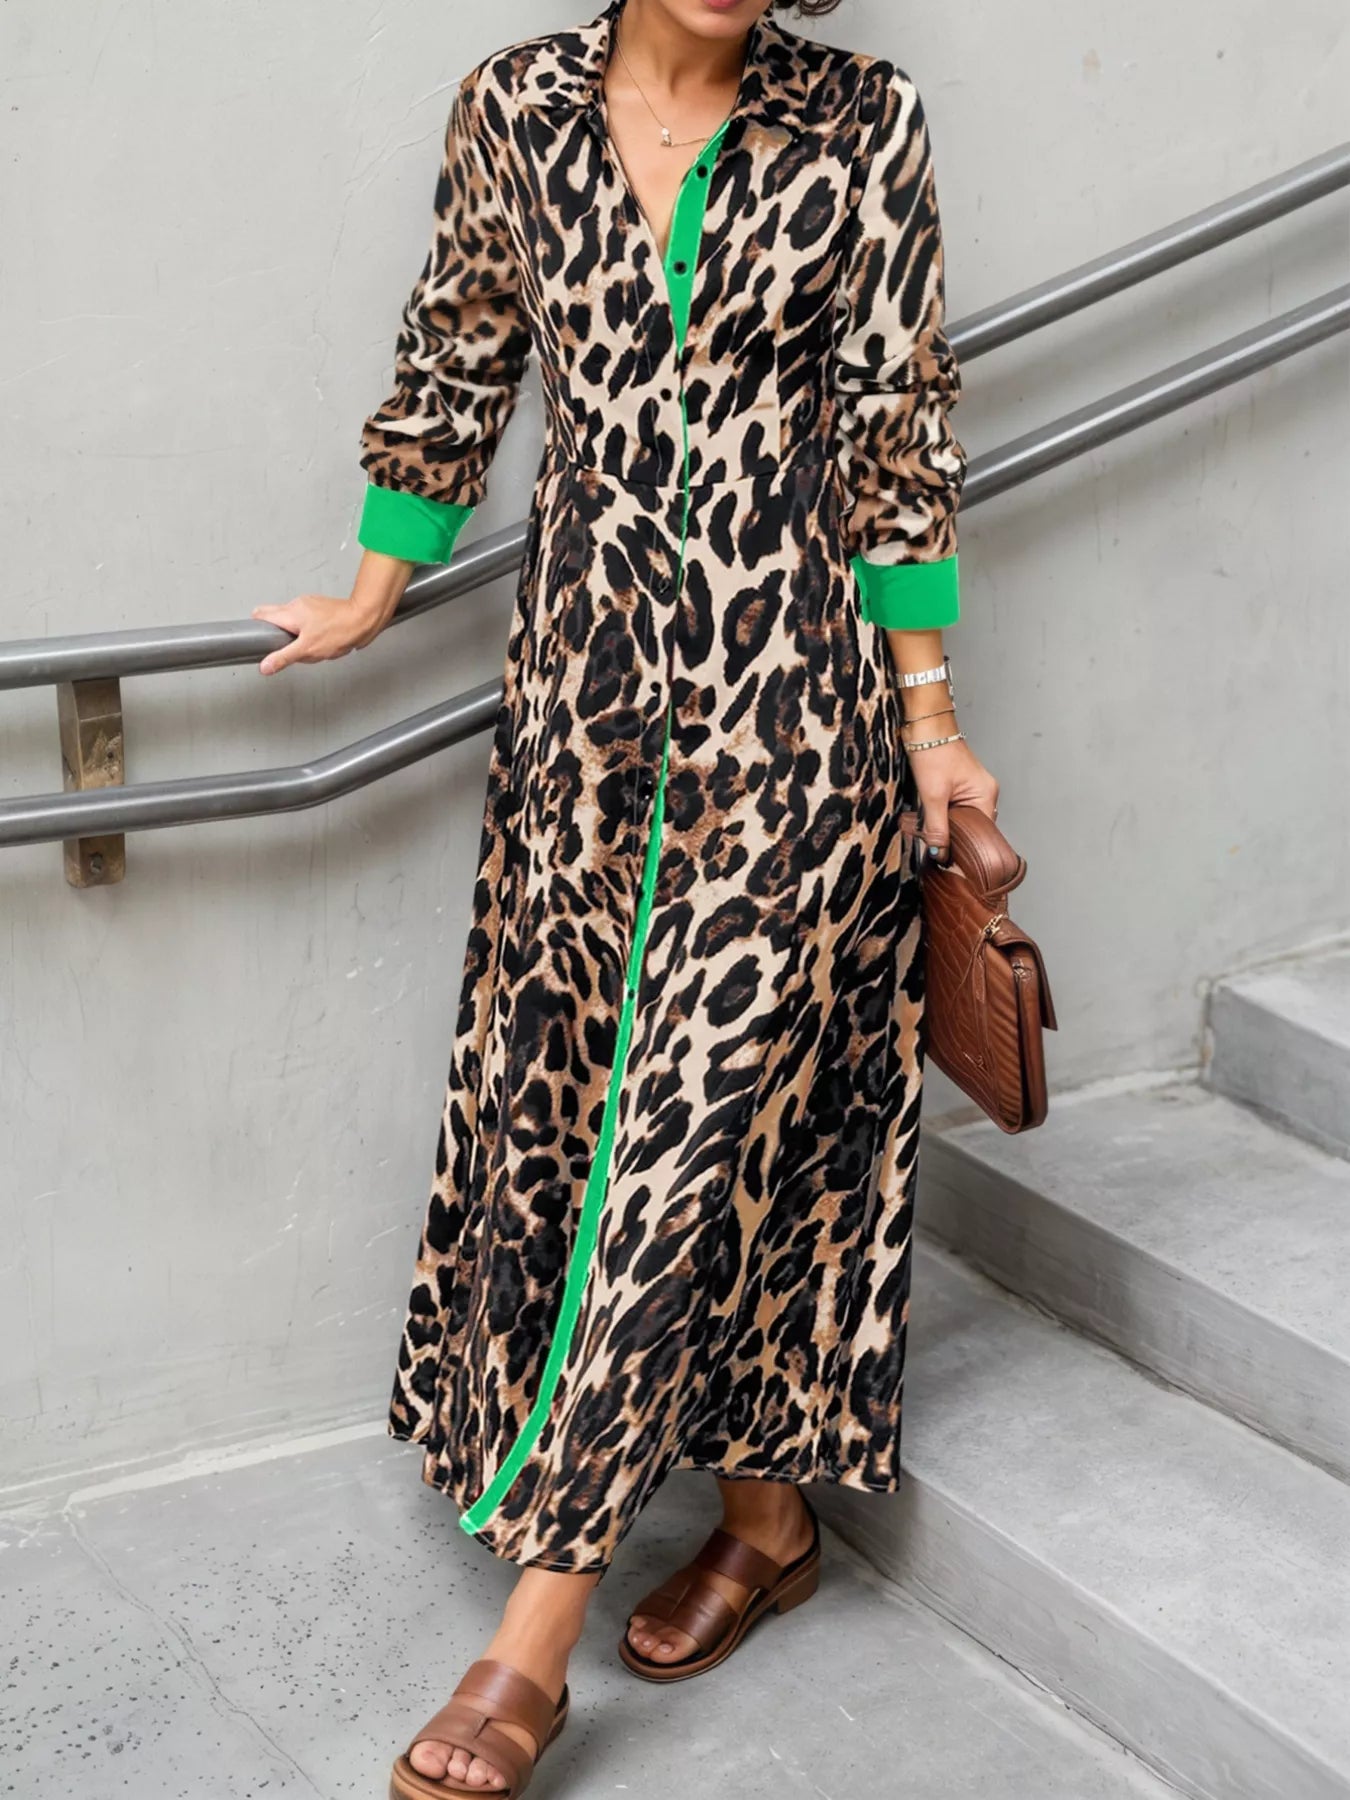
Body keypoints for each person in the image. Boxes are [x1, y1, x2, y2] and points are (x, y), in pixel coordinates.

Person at [252, 0, 998, 1792]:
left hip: (796, 714)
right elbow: (456, 358)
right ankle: (766, 1522)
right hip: (580, 717)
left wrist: (932, 722)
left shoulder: (861, 120)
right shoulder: (511, 109)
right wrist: (373, 587)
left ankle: (531, 1638)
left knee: (692, 1135)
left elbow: (895, 424)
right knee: (617, 1118)